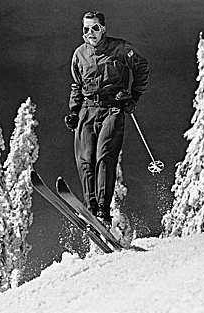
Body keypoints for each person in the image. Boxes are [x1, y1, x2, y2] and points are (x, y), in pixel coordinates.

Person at [65, 11, 149, 225]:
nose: (90, 32)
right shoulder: (80, 54)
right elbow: (77, 85)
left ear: (103, 28)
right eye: (86, 29)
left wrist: (133, 96)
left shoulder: (120, 48)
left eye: (94, 27)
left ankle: (103, 209)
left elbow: (141, 67)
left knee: (104, 156)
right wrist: (74, 111)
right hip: (88, 108)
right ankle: (91, 208)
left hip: (113, 108)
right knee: (85, 159)